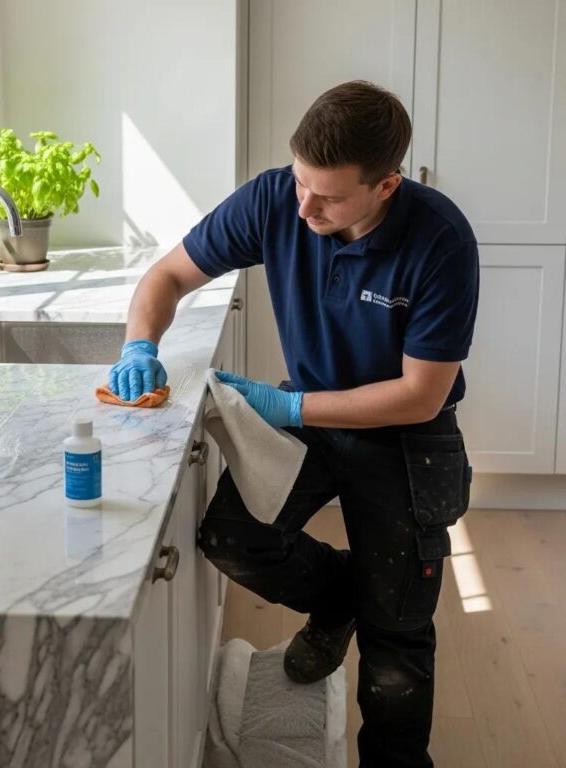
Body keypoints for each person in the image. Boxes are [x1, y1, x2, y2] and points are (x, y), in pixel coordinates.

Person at [108, 80, 478, 768]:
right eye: (300, 182)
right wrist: (139, 345)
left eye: (327, 197)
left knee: (396, 643)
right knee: (233, 537)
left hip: (405, 437)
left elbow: (420, 395)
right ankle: (344, 601)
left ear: (386, 186)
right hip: (313, 411)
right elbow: (167, 277)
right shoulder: (277, 198)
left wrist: (291, 408)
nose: (303, 207)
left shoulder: (440, 240)